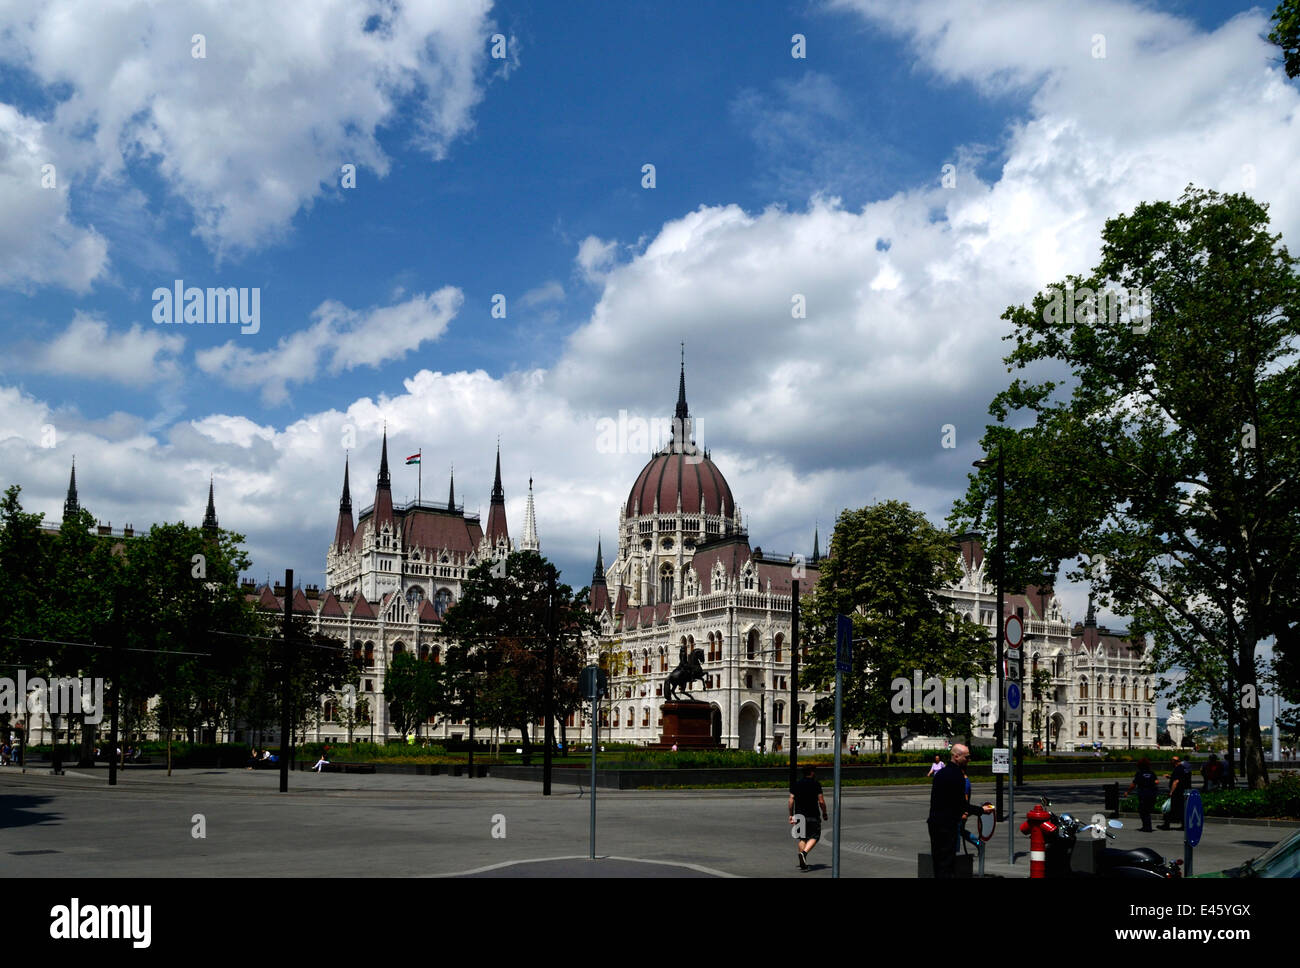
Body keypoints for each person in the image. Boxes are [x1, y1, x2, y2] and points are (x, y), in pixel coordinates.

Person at [927, 744, 994, 878]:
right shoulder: (957, 776)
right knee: (947, 863)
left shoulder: (941, 773)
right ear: (956, 757)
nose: (969, 760)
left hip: (934, 823)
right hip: (947, 825)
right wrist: (981, 810)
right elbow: (961, 804)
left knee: (938, 861)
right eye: (967, 757)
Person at [788, 764, 828, 870]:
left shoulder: (796, 784)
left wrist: (791, 815)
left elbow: (791, 800)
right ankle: (804, 854)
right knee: (815, 836)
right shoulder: (816, 784)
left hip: (799, 815)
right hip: (813, 814)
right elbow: (821, 801)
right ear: (811, 772)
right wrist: (824, 812)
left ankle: (802, 861)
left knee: (802, 838)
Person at [1125, 757, 1159, 831]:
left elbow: (1133, 784)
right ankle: (1147, 826)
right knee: (1147, 810)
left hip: (1143, 793)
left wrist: (1127, 792)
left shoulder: (1139, 773)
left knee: (1143, 810)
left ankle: (1147, 827)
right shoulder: (1152, 773)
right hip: (1152, 793)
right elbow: (1156, 782)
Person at [1160, 755, 1191, 830]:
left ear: (1175, 762)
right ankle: (1183, 825)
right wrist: (1170, 777)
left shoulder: (1177, 769)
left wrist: (1171, 792)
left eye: (1172, 760)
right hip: (1184, 791)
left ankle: (1166, 825)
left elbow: (1176, 781)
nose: (1171, 762)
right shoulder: (1184, 769)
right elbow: (1180, 778)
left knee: (1169, 808)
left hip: (1177, 792)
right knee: (1181, 809)